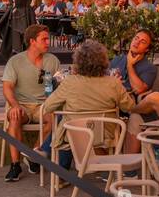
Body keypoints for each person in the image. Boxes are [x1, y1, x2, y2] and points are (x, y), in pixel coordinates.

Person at [39, 38, 137, 170]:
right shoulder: (113, 83)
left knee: (63, 120)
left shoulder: (70, 82)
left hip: (75, 135)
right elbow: (129, 107)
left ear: (78, 61)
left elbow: (48, 106)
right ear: (103, 61)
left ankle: (58, 170)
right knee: (65, 120)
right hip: (106, 135)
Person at [1, 25, 61, 182]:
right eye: (44, 39)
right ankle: (15, 165)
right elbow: (7, 87)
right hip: (22, 105)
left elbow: (53, 88)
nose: (48, 42)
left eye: (48, 38)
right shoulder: (16, 61)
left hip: (43, 105)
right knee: (14, 118)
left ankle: (34, 155)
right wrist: (15, 105)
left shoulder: (52, 61)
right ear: (32, 41)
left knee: (55, 118)